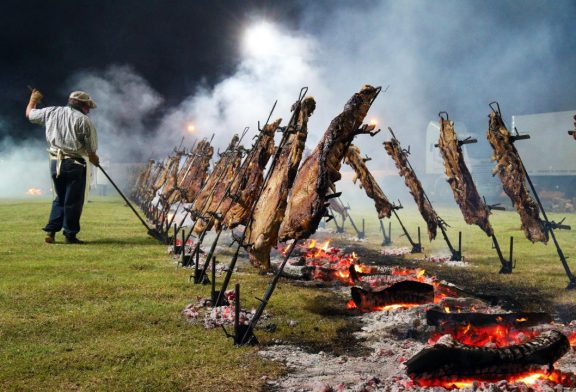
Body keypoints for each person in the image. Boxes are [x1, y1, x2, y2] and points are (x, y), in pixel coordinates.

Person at [26, 89, 100, 244]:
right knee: (73, 201)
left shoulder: (51, 112)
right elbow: (91, 150)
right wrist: (95, 160)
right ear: (81, 105)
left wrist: (33, 100)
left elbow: (30, 114)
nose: (89, 110)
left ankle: (51, 231)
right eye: (87, 107)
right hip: (74, 164)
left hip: (55, 163)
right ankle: (70, 235)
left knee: (59, 198)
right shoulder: (84, 121)